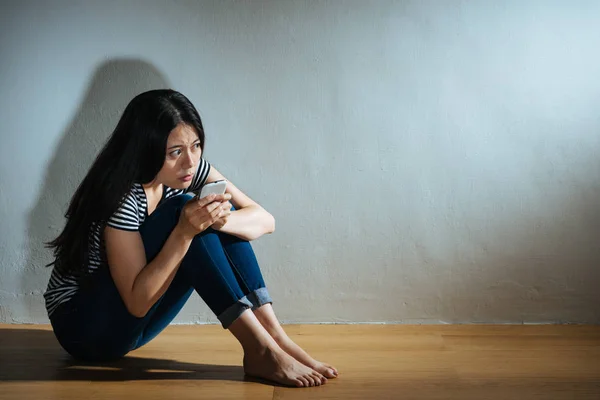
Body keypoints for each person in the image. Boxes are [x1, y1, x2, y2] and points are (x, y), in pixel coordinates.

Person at [44, 89, 338, 388]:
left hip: (135, 328)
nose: (189, 162)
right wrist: (186, 230)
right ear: (145, 149)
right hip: (85, 328)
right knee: (184, 213)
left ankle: (274, 338)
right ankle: (260, 349)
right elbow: (136, 303)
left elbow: (264, 220)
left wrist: (218, 220)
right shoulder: (119, 196)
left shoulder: (190, 170)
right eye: (175, 152)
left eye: (196, 146)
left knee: (210, 212)